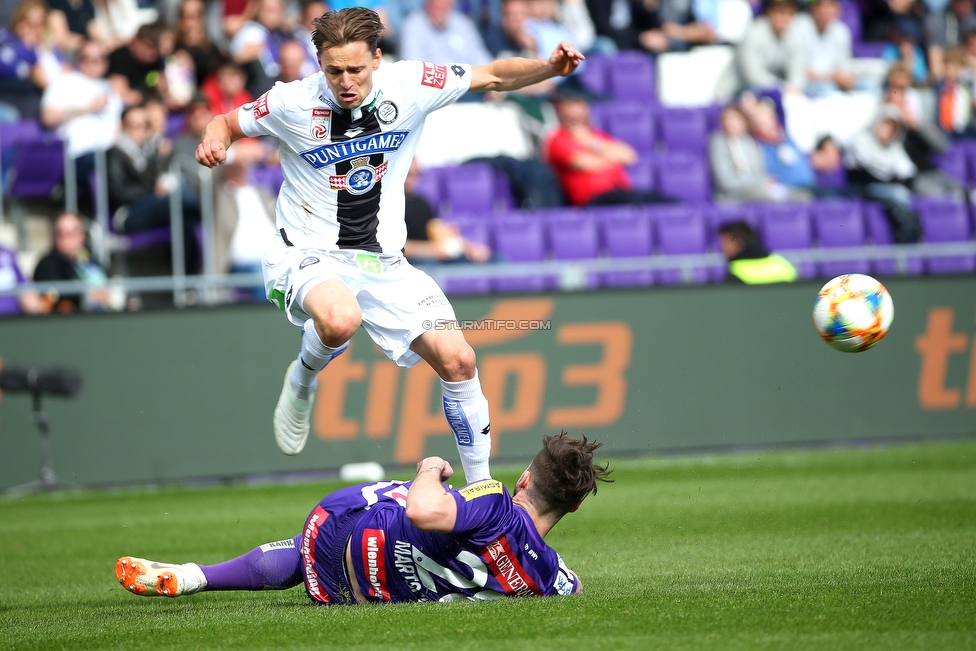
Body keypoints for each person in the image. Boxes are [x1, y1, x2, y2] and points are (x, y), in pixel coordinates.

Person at [194, 8, 585, 476]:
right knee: (340, 319)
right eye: (334, 70)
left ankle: (481, 497)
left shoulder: (412, 83)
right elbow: (226, 122)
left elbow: (493, 76)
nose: (345, 81)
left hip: (384, 260)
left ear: (377, 59)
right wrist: (214, 141)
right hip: (306, 251)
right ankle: (302, 378)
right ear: (319, 62)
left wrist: (549, 67)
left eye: (356, 69)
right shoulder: (290, 102)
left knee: (459, 359)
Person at [115, 432, 611, 604]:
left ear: (525, 478)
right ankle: (193, 575)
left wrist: (430, 469)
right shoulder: (548, 576)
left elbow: (420, 507)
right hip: (362, 595)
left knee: (403, 492)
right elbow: (575, 587)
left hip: (343, 532)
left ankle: (194, 575)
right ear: (575, 507)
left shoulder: (498, 498)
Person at [108, 104, 201, 271]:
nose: (140, 130)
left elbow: (157, 178)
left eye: (144, 125)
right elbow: (120, 192)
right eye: (134, 125)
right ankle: (203, 209)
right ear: (123, 127)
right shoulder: (114, 153)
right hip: (127, 213)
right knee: (180, 198)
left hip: (152, 206)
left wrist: (159, 158)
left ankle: (187, 282)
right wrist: (153, 191)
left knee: (184, 220)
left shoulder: (149, 151)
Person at [544, 93, 670, 206]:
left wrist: (591, 143)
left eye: (581, 116)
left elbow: (629, 156)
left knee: (670, 204)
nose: (577, 120)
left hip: (620, 191)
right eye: (571, 117)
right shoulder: (558, 139)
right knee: (635, 203)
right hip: (592, 198)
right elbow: (582, 163)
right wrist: (612, 158)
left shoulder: (596, 135)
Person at [40, 39, 123, 185]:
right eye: (87, 58)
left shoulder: (111, 89)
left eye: (99, 58)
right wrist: (87, 108)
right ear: (79, 60)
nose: (94, 63)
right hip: (77, 156)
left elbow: (117, 127)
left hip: (110, 154)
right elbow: (48, 118)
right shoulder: (65, 81)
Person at [844, 107, 922, 243]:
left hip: (886, 188)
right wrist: (892, 183)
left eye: (891, 128)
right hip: (863, 188)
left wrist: (899, 183)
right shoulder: (861, 140)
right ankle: (906, 231)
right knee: (897, 194)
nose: (886, 131)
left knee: (902, 194)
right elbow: (863, 172)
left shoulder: (894, 147)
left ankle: (909, 232)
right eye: (885, 125)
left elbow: (908, 171)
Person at [403, 160, 492, 263]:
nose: (413, 179)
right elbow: (392, 246)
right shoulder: (387, 205)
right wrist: (435, 251)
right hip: (418, 260)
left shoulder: (422, 202)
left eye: (416, 174)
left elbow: (435, 228)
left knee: (495, 260)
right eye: (408, 173)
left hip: (438, 255)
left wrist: (470, 247)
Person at [32, 212, 111, 312]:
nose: (65, 239)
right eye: (60, 233)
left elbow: (109, 283)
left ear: (82, 236)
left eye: (71, 234)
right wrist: (89, 295)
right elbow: (54, 298)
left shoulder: (90, 261)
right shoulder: (46, 265)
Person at [709, 105, 783, 203]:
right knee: (776, 197)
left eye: (735, 118)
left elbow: (759, 172)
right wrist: (758, 183)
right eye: (726, 119)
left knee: (791, 195)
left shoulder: (750, 142)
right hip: (732, 195)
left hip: (755, 190)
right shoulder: (718, 142)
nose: (730, 122)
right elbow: (725, 181)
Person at [736, 0, 804, 92]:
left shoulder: (793, 36)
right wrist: (783, 87)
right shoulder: (754, 33)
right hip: (738, 89)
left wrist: (794, 88)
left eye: (787, 13)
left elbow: (797, 70)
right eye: (778, 11)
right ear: (768, 12)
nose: (782, 17)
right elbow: (751, 75)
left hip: (776, 89)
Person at [400, 0, 493, 68]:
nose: (441, 9)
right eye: (437, 5)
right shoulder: (413, 25)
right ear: (428, 3)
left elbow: (481, 58)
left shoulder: (464, 24)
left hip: (469, 85)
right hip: (434, 88)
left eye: (445, 5)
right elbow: (412, 66)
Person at [791, 0, 855, 96]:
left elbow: (844, 66)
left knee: (867, 86)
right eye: (819, 5)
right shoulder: (798, 26)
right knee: (828, 90)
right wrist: (832, 77)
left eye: (829, 5)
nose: (823, 10)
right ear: (811, 8)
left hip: (834, 81)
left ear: (838, 9)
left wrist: (847, 78)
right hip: (807, 84)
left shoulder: (841, 30)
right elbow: (797, 70)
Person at [718, 220, 798, 284]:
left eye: (724, 242)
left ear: (739, 245)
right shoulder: (784, 265)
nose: (722, 248)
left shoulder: (735, 273)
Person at [926, 0, 976, 79]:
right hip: (945, 69)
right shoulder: (936, 20)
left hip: (967, 70)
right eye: (959, 2)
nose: (962, 4)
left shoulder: (972, 20)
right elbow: (934, 56)